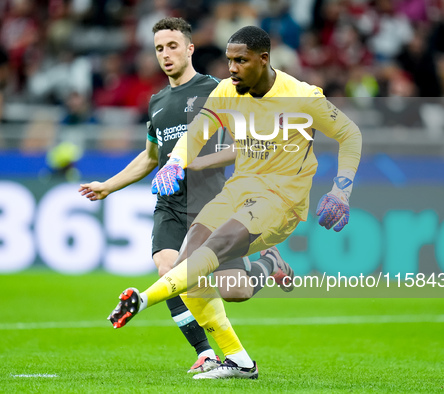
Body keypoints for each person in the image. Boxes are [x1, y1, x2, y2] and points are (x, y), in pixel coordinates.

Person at [108, 26, 362, 379]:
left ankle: (141, 299)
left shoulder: (301, 96)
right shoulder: (227, 91)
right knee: (196, 273)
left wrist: (341, 190)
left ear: (263, 59)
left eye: (240, 60)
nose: (232, 68)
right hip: (237, 191)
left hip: (280, 197)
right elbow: (198, 131)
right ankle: (239, 360)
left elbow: (350, 134)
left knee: (209, 250)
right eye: (229, 60)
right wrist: (177, 160)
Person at [79, 18, 293, 375]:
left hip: (211, 203)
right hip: (171, 205)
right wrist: (109, 185)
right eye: (160, 48)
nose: (166, 54)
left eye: (173, 46)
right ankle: (211, 353)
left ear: (190, 49)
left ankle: (269, 262)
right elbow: (151, 157)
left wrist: (193, 162)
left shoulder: (218, 90)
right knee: (170, 270)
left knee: (234, 291)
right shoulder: (157, 102)